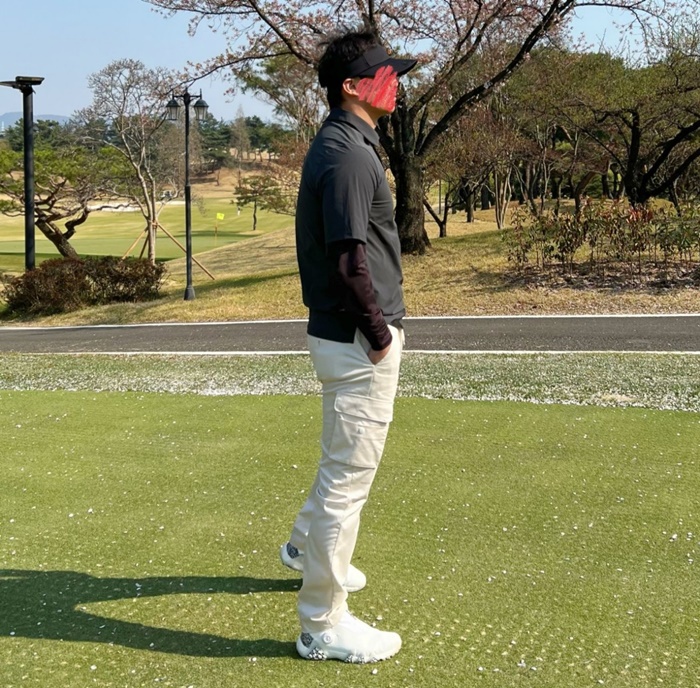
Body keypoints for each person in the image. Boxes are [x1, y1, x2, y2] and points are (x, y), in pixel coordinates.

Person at [279, 30, 417, 663]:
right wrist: (380, 336)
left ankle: (301, 548)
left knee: (339, 461)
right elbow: (347, 258)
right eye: (386, 74)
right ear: (353, 87)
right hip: (358, 341)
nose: (396, 83)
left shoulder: (348, 142)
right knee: (347, 481)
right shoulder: (349, 154)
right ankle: (322, 623)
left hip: (347, 337)